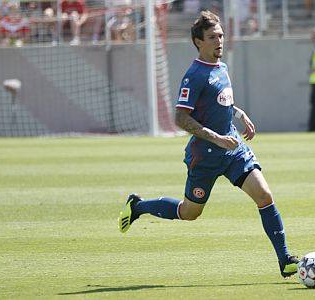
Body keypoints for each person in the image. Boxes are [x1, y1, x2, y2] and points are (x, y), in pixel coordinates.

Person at [118, 10, 299, 278]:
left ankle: (285, 260)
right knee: (189, 212)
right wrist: (216, 138)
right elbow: (180, 117)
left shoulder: (221, 67)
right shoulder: (194, 75)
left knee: (264, 196)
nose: (219, 41)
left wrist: (240, 115)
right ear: (198, 41)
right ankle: (139, 206)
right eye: (213, 37)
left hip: (234, 150)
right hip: (205, 156)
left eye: (221, 36)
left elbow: (220, 101)